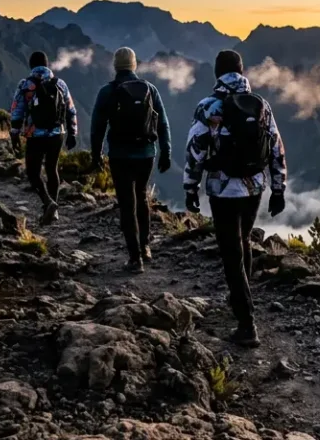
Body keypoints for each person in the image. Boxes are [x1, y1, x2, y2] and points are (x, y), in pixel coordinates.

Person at [184, 49, 287, 348]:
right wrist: (278, 188)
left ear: (217, 73)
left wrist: (190, 187)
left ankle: (246, 323)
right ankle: (242, 297)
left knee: (231, 252)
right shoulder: (261, 105)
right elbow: (276, 147)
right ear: (242, 72)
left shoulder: (208, 106)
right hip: (254, 187)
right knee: (242, 241)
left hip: (223, 189)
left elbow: (195, 150)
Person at [90, 47, 172, 273]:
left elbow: (97, 127)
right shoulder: (150, 89)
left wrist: (96, 155)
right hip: (146, 154)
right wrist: (165, 151)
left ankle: (135, 258)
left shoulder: (107, 91)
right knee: (142, 196)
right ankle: (145, 247)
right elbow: (162, 123)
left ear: (115, 66)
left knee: (127, 204)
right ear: (134, 65)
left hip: (120, 155)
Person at [9, 50, 78, 225]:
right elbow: (71, 110)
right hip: (57, 134)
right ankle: (54, 211)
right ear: (47, 65)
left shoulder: (26, 84)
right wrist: (72, 133)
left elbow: (17, 111)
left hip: (35, 135)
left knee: (33, 173)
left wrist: (15, 133)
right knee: (52, 169)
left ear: (31, 65)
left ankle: (48, 202)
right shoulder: (60, 83)